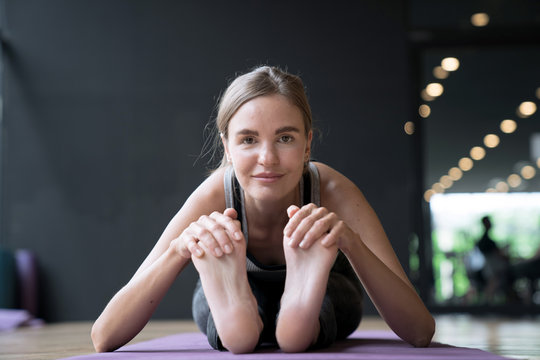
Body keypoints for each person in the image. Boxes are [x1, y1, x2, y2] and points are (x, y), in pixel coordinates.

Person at [91, 66, 435, 354]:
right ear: (227, 147)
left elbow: (419, 330)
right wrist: (178, 250)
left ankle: (301, 312)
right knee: (215, 304)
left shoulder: (330, 190)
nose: (267, 158)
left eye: (285, 138)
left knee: (335, 297)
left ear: (307, 145)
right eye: (248, 140)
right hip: (239, 285)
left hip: (325, 288)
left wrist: (350, 243)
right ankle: (243, 318)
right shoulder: (214, 195)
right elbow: (104, 335)